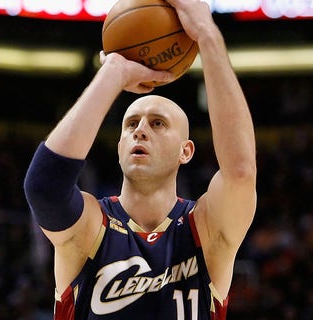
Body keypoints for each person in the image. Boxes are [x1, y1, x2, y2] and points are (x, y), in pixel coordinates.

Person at [23, 0, 257, 319]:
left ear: (185, 151)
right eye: (131, 124)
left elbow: (241, 173)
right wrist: (115, 73)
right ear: (120, 146)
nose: (140, 130)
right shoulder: (93, 227)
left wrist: (207, 36)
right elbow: (44, 186)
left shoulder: (205, 227)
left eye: (157, 123)